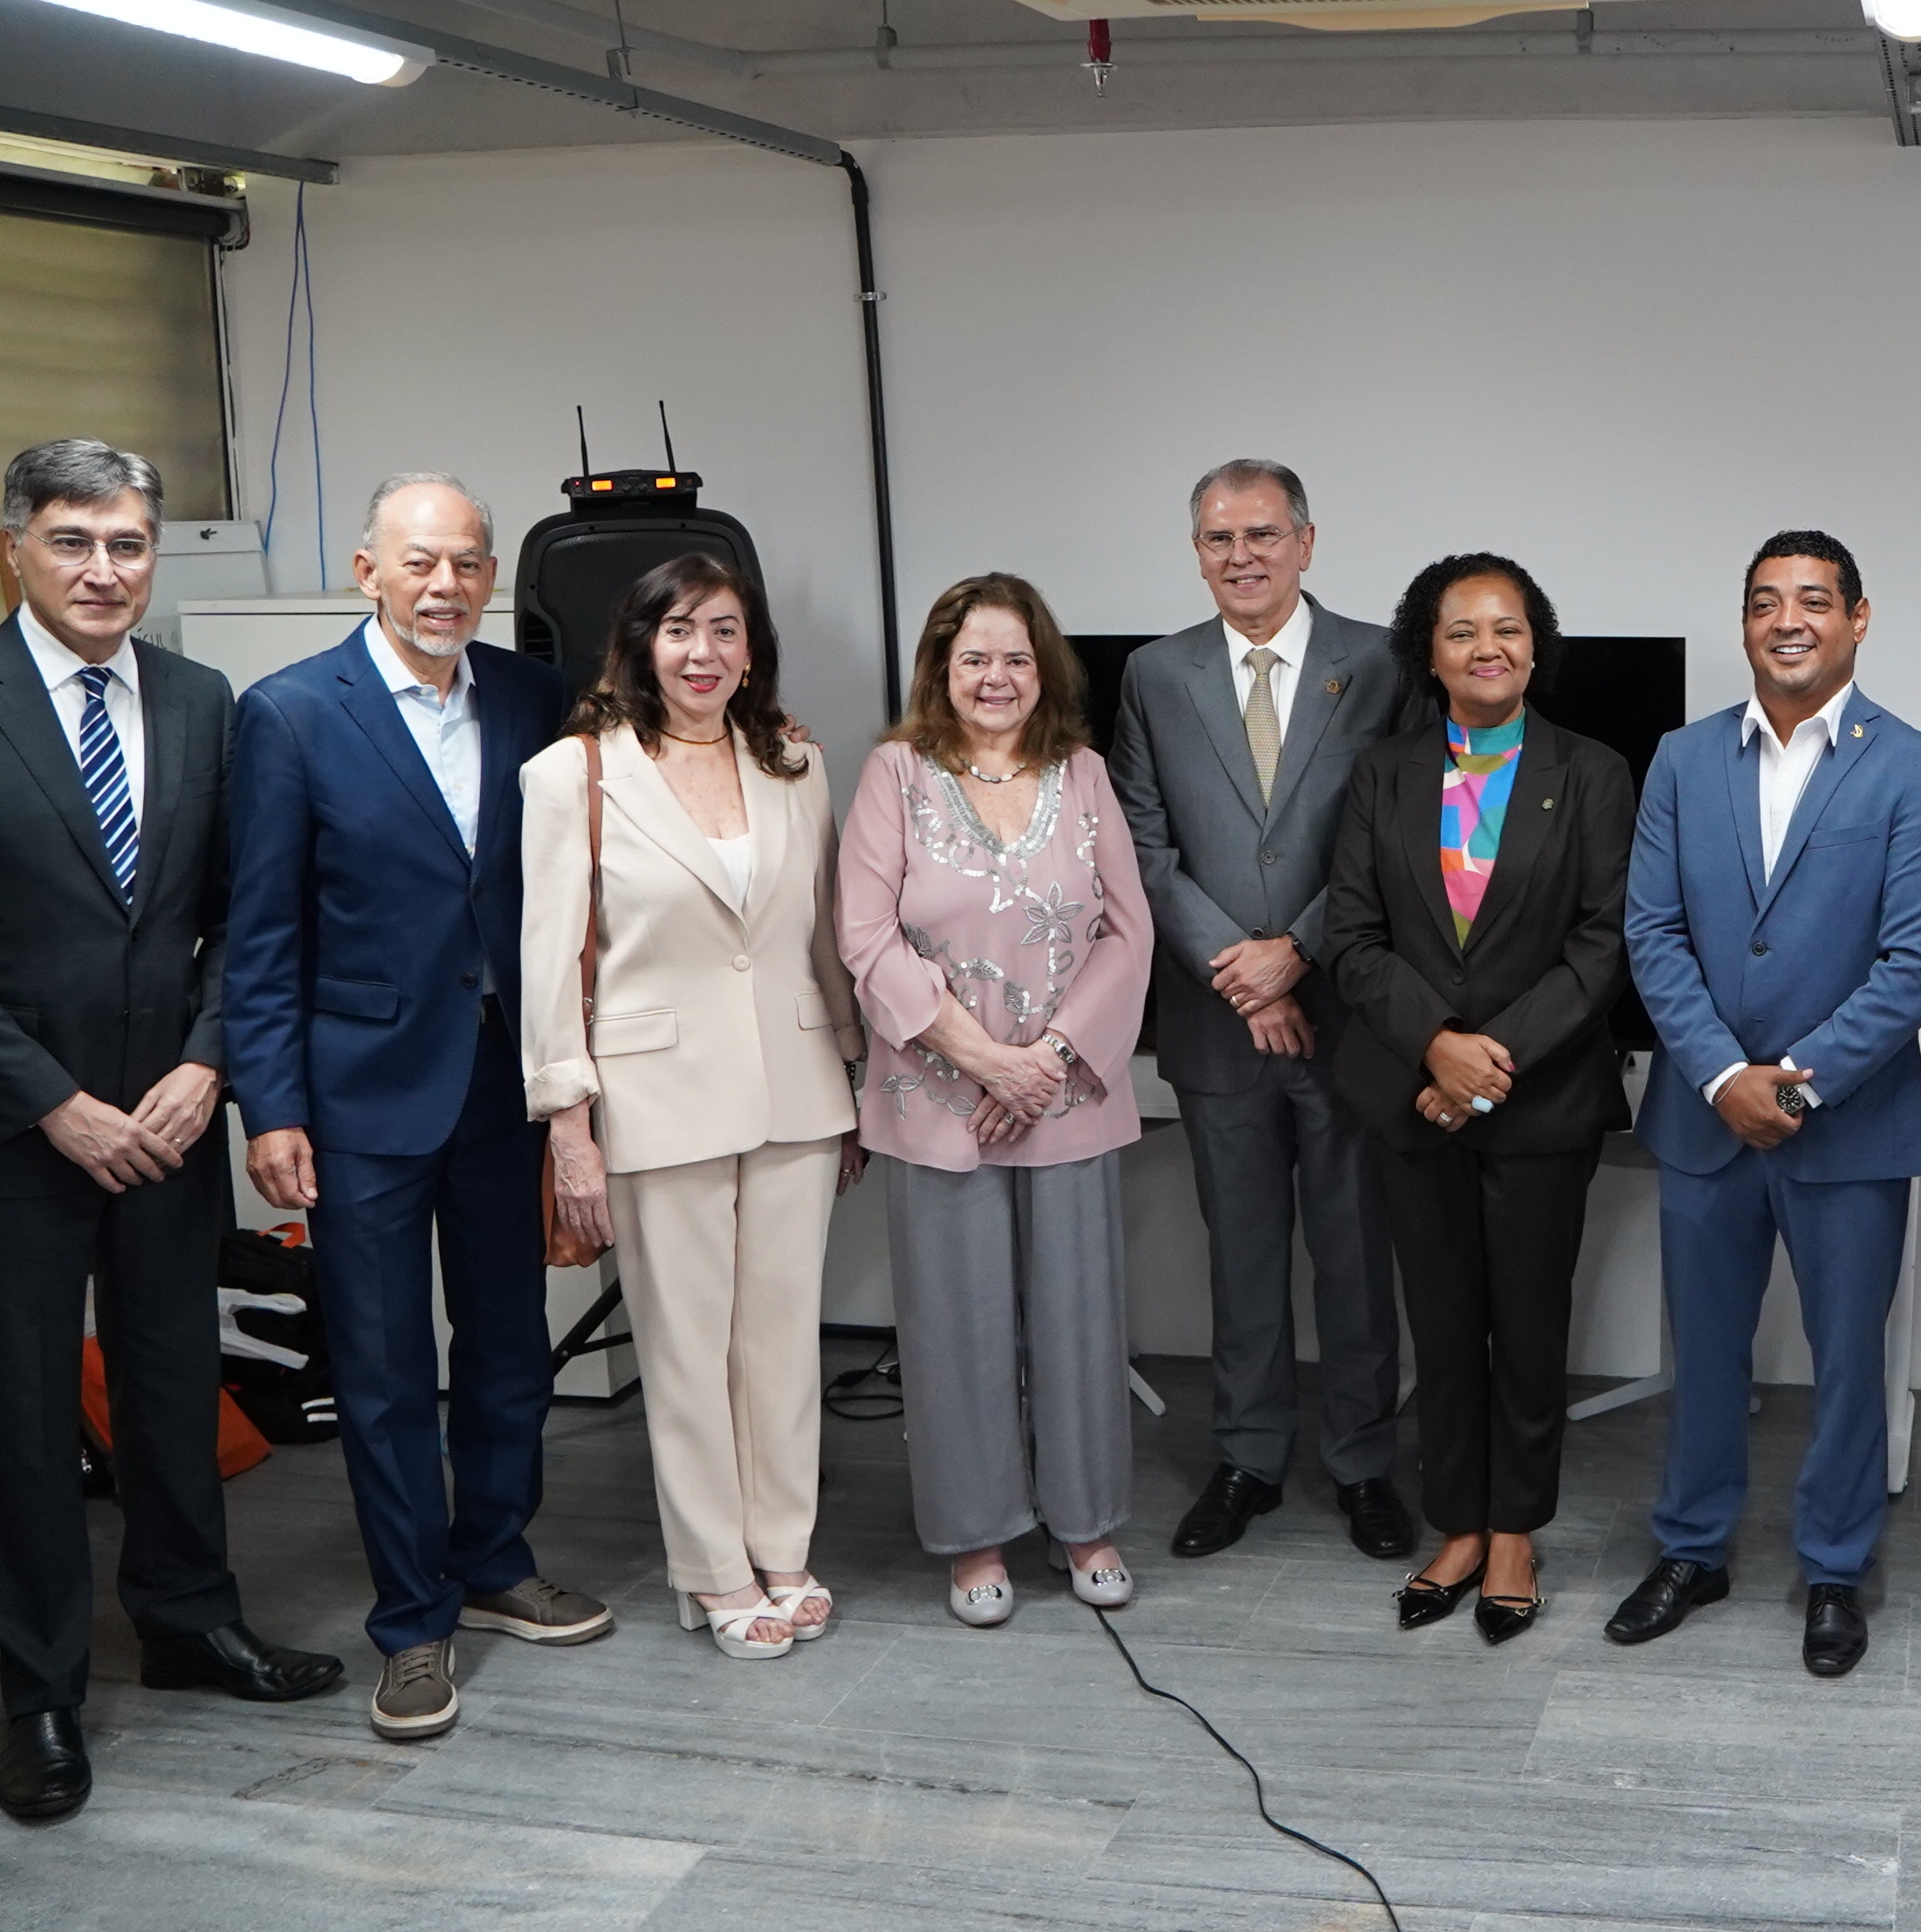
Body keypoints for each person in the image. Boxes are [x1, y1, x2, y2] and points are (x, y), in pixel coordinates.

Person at [0, 441, 341, 1822]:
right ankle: (40, 1691)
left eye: (127, 543)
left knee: (173, 1382)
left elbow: (244, 916)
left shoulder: (201, 698)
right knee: (25, 1415)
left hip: (168, 1118)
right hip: (6, 1131)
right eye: (73, 540)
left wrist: (209, 1062)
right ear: (15, 551)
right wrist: (53, 1100)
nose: (103, 569)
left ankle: (189, 1621)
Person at [227, 473, 614, 1744]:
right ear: (368, 572)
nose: (446, 585)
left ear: (492, 575)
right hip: (358, 1099)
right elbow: (261, 931)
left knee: (507, 1346)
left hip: (505, 1085)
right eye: (420, 562)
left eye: (467, 563)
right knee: (386, 1370)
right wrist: (270, 1105)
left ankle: (495, 1559)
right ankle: (411, 1620)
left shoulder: (533, 696)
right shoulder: (289, 714)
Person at [1609, 530, 1921, 1679]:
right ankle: (1693, 1547)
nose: (1788, 620)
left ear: (1858, 618)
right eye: (1766, 601)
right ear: (1745, 622)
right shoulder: (1681, 759)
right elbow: (1652, 931)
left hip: (1848, 1122)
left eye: (1814, 600)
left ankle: (1834, 1566)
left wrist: (1801, 1076)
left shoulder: (1916, 767)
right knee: (1705, 1350)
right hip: (1705, 1113)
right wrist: (1724, 1075)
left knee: (1848, 1358)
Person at [519, 552, 867, 1661]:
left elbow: (822, 931)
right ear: (641, 646)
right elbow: (546, 961)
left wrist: (851, 1072)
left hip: (797, 1085)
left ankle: (783, 1549)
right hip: (654, 1094)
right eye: (678, 630)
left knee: (782, 1341)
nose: (702, 652)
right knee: (685, 1351)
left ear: (751, 649)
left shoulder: (797, 763)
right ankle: (715, 1570)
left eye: (723, 629)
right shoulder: (573, 775)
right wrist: (568, 1123)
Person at [1323, 553, 1636, 1647]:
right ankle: (1458, 1523)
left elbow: (1603, 945)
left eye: (1507, 628)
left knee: (1531, 1326)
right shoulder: (1382, 773)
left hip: (1540, 1101)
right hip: (1412, 1095)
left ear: (1536, 647)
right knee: (1444, 1324)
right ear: (1430, 652)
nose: (1486, 647)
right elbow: (1353, 938)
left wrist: (1487, 1063)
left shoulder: (1593, 772)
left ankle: (1515, 1533)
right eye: (1461, 631)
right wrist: (1436, 1050)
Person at [1107, 460, 1413, 1565]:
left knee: (1354, 1255)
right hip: (1214, 1019)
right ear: (1197, 552)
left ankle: (1365, 1464)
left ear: (1307, 541)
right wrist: (1239, 971)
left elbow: (1399, 832)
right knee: (1239, 1256)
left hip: (1348, 1016)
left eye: (1263, 534)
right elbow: (1139, 842)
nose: (1242, 556)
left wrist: (1299, 954)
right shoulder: (1156, 673)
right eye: (1219, 538)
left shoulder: (1382, 662)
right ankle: (1248, 1458)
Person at [837, 574, 1152, 1627]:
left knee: (1079, 1318)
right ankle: (976, 1536)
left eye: (1016, 657)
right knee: (955, 1325)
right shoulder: (895, 774)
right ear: (941, 669)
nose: (996, 677)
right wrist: (986, 1062)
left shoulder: (1086, 775)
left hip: (1066, 1094)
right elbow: (864, 935)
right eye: (974, 657)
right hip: (940, 1098)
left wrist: (1046, 1061)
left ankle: (1086, 1522)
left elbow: (1128, 932)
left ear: (1043, 670)